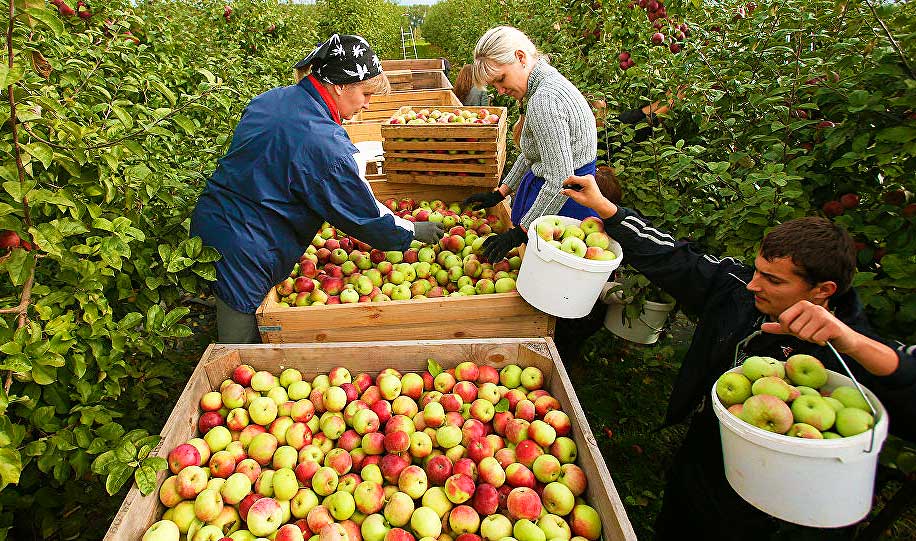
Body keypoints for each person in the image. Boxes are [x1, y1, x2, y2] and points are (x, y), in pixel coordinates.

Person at [560, 172, 916, 540]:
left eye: (774, 281)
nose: (754, 285)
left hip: (783, 498)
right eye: (759, 271)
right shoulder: (738, 291)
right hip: (707, 454)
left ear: (822, 291)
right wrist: (607, 209)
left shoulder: (852, 348)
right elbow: (672, 256)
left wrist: (850, 343)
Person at [190, 34, 446, 344]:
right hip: (246, 244)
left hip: (217, 218)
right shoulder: (323, 142)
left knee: (228, 297)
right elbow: (361, 212)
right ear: (340, 85)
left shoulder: (273, 99)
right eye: (365, 94)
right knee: (241, 350)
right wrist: (410, 231)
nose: (367, 104)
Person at [460, 26, 599, 264]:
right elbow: (534, 154)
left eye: (501, 79)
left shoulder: (544, 100)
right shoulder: (545, 86)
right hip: (566, 200)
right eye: (495, 85)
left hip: (562, 209)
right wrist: (501, 193)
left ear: (521, 57)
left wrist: (521, 232)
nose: (501, 90)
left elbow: (560, 180)